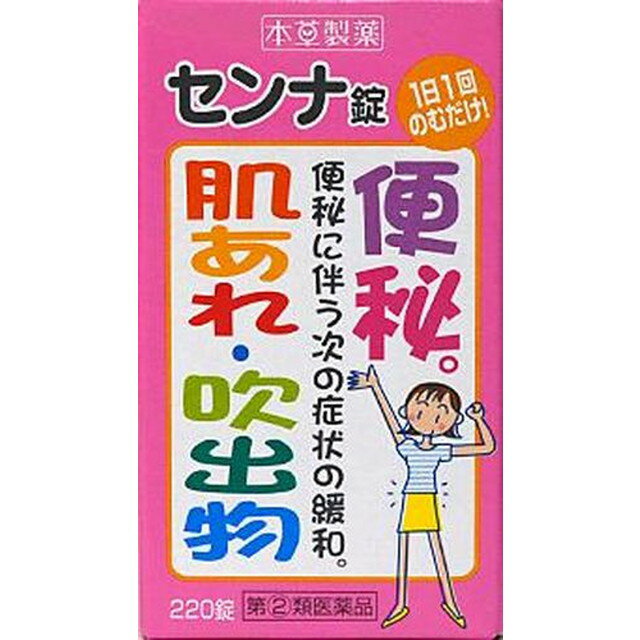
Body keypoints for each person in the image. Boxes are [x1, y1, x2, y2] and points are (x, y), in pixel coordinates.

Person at [348, 365, 495, 629]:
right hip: (410, 498)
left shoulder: (440, 449)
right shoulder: (407, 446)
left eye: (441, 414)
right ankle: (401, 604)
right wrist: (375, 387)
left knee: (436, 549)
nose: (430, 417)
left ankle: (451, 602)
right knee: (404, 550)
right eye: (422, 409)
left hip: (427, 498)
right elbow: (390, 420)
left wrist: (478, 420)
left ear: (451, 422)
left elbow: (487, 447)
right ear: (408, 411)